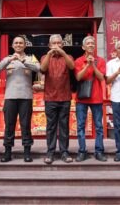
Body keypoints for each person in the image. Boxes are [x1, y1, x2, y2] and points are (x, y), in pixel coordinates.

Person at [0, 36, 40, 162]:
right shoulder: (8, 59)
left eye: (21, 43)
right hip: (10, 96)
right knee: (9, 125)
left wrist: (23, 61)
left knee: (25, 125)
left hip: (26, 97)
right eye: (16, 43)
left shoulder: (31, 58)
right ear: (13, 45)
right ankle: (7, 152)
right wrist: (10, 59)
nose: (19, 45)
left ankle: (27, 152)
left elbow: (38, 68)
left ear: (25, 45)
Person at [40, 34, 74, 164]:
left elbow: (72, 67)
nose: (56, 46)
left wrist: (63, 53)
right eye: (53, 43)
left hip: (65, 96)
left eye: (59, 43)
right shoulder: (45, 57)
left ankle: (64, 152)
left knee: (64, 126)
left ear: (62, 45)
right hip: (50, 97)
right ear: (49, 45)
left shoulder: (68, 57)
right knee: (51, 126)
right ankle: (50, 152)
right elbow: (42, 69)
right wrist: (49, 54)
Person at [74, 36, 106, 162]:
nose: (91, 45)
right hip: (82, 98)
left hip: (97, 98)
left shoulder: (101, 60)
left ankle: (99, 151)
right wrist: (87, 65)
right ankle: (82, 151)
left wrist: (93, 64)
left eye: (93, 43)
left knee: (98, 126)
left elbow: (101, 77)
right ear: (83, 47)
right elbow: (78, 77)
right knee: (81, 126)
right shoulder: (78, 60)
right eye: (88, 43)